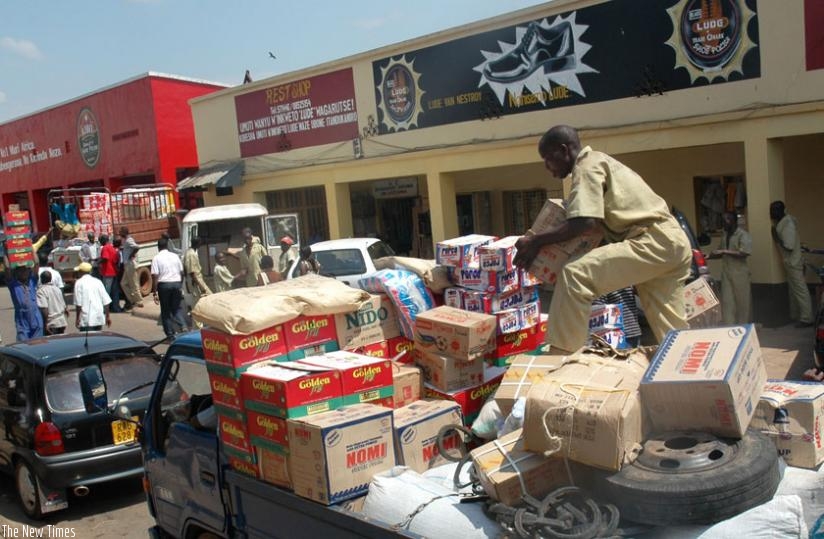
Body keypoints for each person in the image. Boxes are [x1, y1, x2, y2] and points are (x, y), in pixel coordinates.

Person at [513, 125, 692, 352]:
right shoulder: (604, 162)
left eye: (548, 158)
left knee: (575, 274)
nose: (547, 167)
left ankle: (560, 357)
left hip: (651, 241)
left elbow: (583, 222)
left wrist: (536, 241)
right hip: (672, 243)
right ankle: (689, 369)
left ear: (564, 150)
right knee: (670, 326)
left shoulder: (586, 167)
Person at [770, 201, 814, 327]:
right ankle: (797, 316)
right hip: (790, 261)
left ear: (783, 210)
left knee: (800, 289)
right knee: (794, 289)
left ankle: (807, 318)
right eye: (771, 210)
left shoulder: (787, 223)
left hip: (793, 261)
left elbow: (788, 246)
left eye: (775, 210)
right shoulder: (782, 222)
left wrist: (776, 237)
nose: (772, 213)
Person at [709, 211, 752, 324]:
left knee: (742, 302)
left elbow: (744, 253)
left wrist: (724, 251)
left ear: (731, 221)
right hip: (726, 272)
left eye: (724, 221)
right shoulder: (725, 235)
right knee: (727, 302)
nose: (723, 224)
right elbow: (719, 253)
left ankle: (743, 326)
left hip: (740, 273)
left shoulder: (743, 235)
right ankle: (730, 326)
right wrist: (707, 257)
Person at [151, 236, 188, 338]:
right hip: (176, 283)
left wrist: (155, 291)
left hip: (164, 285)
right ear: (167, 246)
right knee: (176, 308)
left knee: (165, 311)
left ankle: (170, 334)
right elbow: (182, 272)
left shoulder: (156, 258)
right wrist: (180, 284)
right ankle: (183, 326)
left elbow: (155, 276)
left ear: (158, 247)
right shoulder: (175, 256)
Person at [8, 266, 44, 341]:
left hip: (36, 320)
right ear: (17, 273)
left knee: (37, 346)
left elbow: (36, 263)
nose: (24, 273)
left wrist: (32, 253)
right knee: (23, 346)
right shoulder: (14, 285)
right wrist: (6, 254)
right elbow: (7, 268)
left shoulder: (32, 282)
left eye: (26, 270)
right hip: (22, 321)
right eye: (21, 271)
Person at [73, 262, 111, 331]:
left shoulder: (79, 283)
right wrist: (107, 317)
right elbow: (106, 301)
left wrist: (77, 318)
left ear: (81, 272)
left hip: (87, 319)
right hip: (98, 318)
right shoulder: (98, 282)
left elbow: (78, 304)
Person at [119, 226, 143, 309]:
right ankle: (132, 300)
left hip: (130, 264)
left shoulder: (129, 240)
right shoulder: (125, 240)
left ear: (124, 232)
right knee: (123, 283)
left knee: (133, 283)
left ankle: (139, 300)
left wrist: (131, 254)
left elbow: (137, 247)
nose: (119, 233)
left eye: (121, 232)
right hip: (127, 264)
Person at [183, 237, 212, 305]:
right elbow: (192, 272)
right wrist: (200, 286)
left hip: (195, 279)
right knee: (207, 297)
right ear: (198, 244)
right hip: (195, 280)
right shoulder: (191, 254)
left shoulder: (189, 252)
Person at [98, 234, 119, 306]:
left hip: (107, 272)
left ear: (104, 240)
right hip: (113, 272)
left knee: (106, 292)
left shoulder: (105, 248)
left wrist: (98, 262)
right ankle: (115, 307)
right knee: (114, 291)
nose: (100, 243)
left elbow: (105, 258)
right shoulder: (111, 247)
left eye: (100, 241)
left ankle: (105, 308)